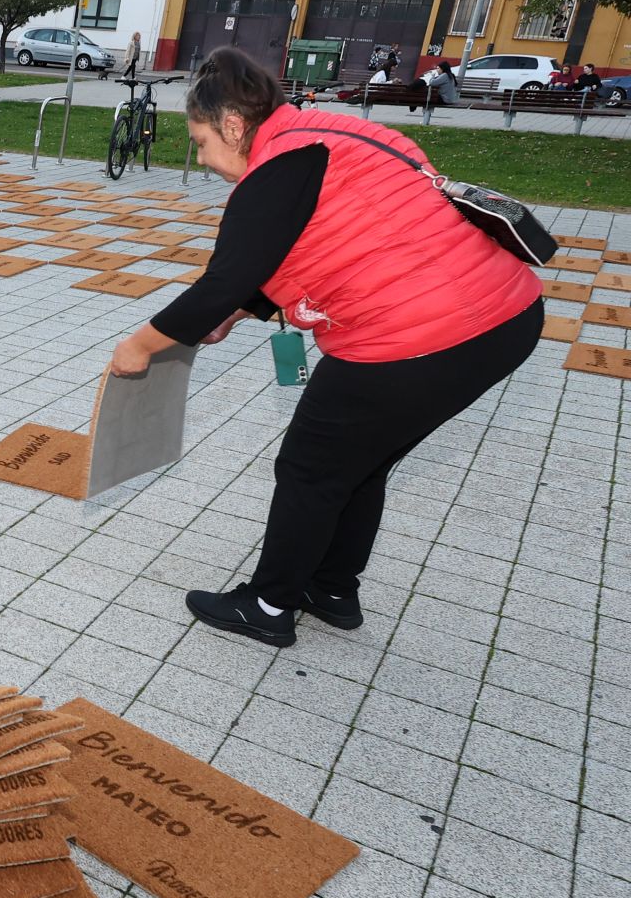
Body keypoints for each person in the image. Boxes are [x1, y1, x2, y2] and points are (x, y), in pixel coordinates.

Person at [108, 47, 541, 648]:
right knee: (360, 461)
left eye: (202, 141)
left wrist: (139, 345)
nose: (204, 158)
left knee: (309, 468)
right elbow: (338, 235)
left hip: (421, 335)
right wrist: (240, 312)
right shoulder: (330, 131)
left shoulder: (276, 168)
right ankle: (331, 588)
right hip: (502, 317)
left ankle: (267, 604)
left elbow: (224, 278)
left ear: (234, 126)